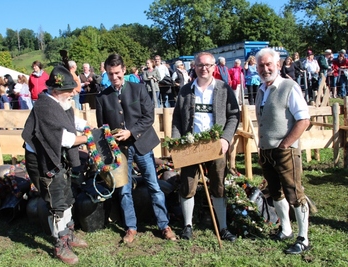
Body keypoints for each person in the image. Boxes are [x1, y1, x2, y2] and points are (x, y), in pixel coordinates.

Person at [95, 54, 177, 244]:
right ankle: (131, 227)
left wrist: (130, 132)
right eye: (110, 74)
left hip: (142, 145)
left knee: (154, 186)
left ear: (124, 70)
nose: (114, 77)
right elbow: (103, 126)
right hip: (119, 151)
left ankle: (164, 225)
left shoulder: (139, 89)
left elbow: (148, 117)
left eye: (117, 73)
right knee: (124, 190)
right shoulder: (101, 97)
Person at [22, 65, 89, 265]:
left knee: (67, 196)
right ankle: (60, 245)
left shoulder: (60, 103)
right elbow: (65, 139)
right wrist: (88, 137)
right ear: (57, 91)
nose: (73, 95)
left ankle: (68, 234)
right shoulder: (44, 107)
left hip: (56, 156)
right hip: (43, 160)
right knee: (57, 202)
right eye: (70, 92)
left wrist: (86, 126)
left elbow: (71, 120)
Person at [171, 52, 240, 241]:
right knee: (188, 184)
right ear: (194, 67)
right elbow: (177, 118)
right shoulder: (185, 90)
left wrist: (226, 138)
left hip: (216, 145)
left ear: (214, 67)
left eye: (208, 65)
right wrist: (177, 141)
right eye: (200, 65)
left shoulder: (224, 89)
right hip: (190, 145)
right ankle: (187, 226)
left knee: (218, 185)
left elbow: (234, 115)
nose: (204, 69)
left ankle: (223, 227)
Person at [255, 48, 311, 255]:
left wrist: (286, 144)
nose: (265, 68)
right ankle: (285, 229)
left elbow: (303, 119)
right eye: (261, 65)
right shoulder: (261, 90)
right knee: (275, 192)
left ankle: (303, 238)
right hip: (266, 150)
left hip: (285, 150)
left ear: (278, 65)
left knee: (294, 193)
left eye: (269, 64)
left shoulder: (289, 86)